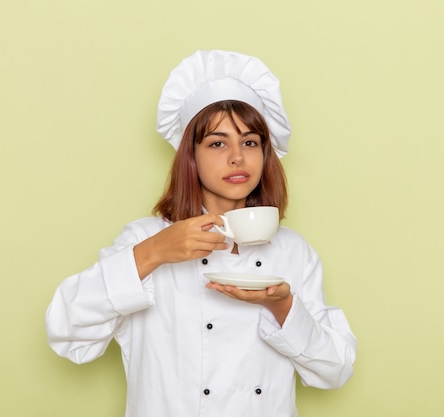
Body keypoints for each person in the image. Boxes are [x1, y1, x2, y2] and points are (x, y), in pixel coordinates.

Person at [45, 50, 357, 417]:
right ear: (190, 156)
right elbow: (67, 334)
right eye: (218, 143)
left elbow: (335, 370)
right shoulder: (146, 238)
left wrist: (282, 306)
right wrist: (154, 253)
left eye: (251, 142)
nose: (238, 157)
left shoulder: (294, 251)